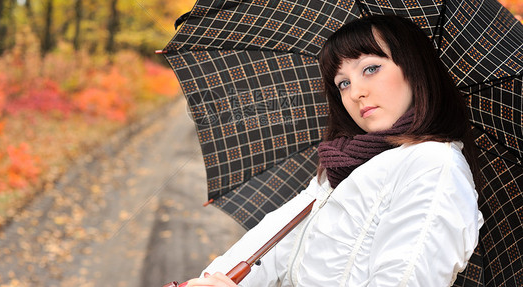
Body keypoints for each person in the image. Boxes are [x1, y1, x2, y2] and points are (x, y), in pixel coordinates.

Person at [185, 15, 483, 287]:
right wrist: (212, 281)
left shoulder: (433, 165)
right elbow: (271, 248)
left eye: (371, 68)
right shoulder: (340, 168)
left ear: (415, 69)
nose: (355, 93)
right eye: (343, 83)